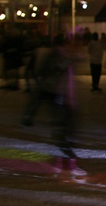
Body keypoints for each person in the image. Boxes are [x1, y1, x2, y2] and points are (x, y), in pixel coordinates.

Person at [31, 34, 87, 178]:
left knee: (66, 133)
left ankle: (61, 163)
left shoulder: (62, 56)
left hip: (66, 99)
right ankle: (67, 165)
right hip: (61, 100)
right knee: (66, 134)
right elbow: (56, 69)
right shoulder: (58, 57)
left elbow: (79, 57)